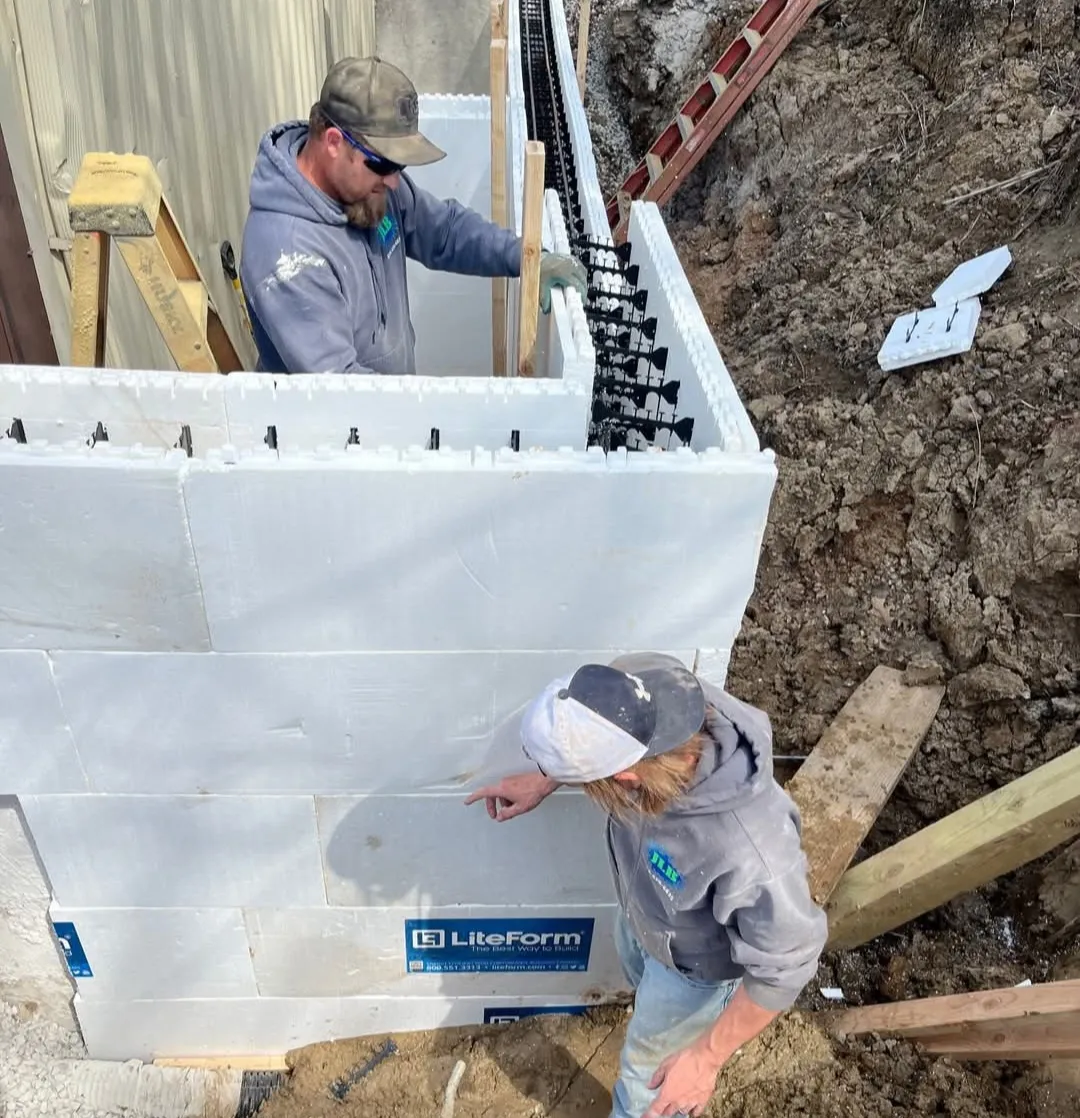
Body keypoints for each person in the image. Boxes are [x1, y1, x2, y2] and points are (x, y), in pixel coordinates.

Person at [466, 654, 827, 1118]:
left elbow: (786, 968)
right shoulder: (652, 696)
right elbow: (607, 728)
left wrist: (705, 1058)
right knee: (646, 1001)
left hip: (694, 970)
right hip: (647, 915)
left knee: (648, 1087)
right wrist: (545, 779)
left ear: (626, 777)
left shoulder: (750, 847)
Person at [240, 56, 586, 374]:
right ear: (333, 142)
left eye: (399, 165)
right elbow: (344, 395)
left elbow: (444, 231)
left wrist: (525, 258)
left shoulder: (370, 190)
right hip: (338, 436)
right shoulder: (287, 255)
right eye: (384, 163)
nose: (393, 180)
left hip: (390, 418)